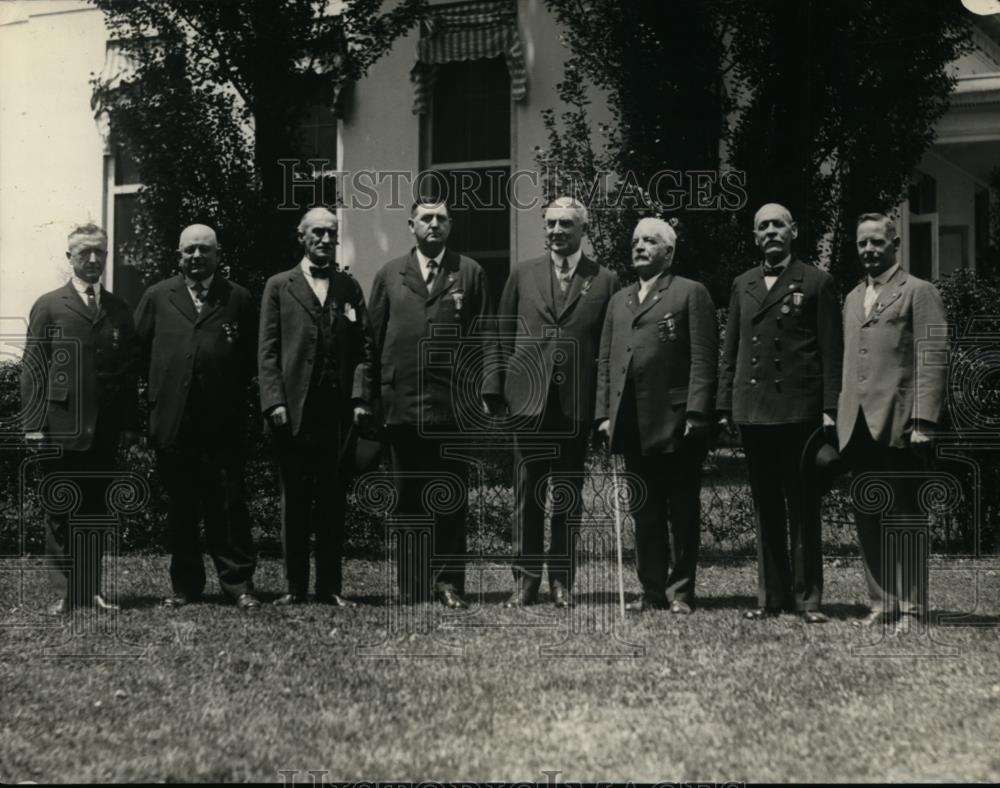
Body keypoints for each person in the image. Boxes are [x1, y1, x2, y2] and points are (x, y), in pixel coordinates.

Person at [483, 196, 618, 608]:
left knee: (568, 497)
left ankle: (562, 581)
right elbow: (499, 333)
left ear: (583, 230)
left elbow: (610, 348)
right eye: (551, 224)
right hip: (529, 402)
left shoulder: (606, 280)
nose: (556, 231)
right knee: (527, 494)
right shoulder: (523, 274)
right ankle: (524, 581)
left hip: (574, 405)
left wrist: (604, 408)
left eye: (565, 224)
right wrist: (494, 387)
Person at [717, 203, 842, 623]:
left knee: (804, 505)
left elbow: (830, 351)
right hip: (755, 413)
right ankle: (771, 598)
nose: (770, 231)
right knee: (765, 504)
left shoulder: (817, 281)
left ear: (794, 231)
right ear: (755, 237)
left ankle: (808, 600)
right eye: (762, 226)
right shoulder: (742, 284)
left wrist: (829, 408)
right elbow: (730, 351)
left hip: (800, 412)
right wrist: (724, 407)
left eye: (777, 225)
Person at [368, 200, 493, 609]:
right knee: (407, 498)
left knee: (450, 497)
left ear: (451, 225)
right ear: (411, 225)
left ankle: (448, 583)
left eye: (441, 218)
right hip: (401, 405)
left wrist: (488, 392)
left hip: (451, 407)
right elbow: (371, 341)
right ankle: (412, 583)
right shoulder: (389, 274)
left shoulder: (469, 272)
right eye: (426, 218)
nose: (434, 224)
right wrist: (366, 397)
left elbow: (487, 338)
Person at [133, 224, 260, 610]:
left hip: (223, 425)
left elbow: (253, 358)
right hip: (175, 423)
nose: (196, 257)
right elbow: (138, 355)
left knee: (228, 506)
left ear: (218, 255)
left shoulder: (237, 297)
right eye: (189, 250)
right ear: (178, 257)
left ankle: (237, 584)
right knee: (182, 508)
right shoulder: (157, 297)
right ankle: (185, 586)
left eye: (205, 250)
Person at [595, 218, 717, 613]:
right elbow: (606, 363)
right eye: (635, 241)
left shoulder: (689, 293)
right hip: (632, 422)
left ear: (669, 251)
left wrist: (698, 411)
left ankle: (680, 591)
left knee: (681, 509)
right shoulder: (620, 300)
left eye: (650, 241)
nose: (640, 247)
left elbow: (703, 357)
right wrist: (604, 414)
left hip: (678, 420)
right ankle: (650, 591)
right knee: (644, 511)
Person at [258, 207, 376, 606]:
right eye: (317, 234)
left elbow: (364, 350)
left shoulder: (349, 287)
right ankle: (294, 587)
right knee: (293, 500)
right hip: (293, 411)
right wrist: (274, 401)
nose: (325, 240)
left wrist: (360, 398)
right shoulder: (278, 286)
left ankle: (330, 587)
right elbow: (268, 351)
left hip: (337, 413)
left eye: (331, 234)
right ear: (302, 236)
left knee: (332, 500)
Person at [837, 212, 948, 632]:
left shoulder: (919, 292)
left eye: (876, 243)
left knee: (906, 516)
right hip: (858, 423)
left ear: (894, 244)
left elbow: (932, 356)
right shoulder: (851, 298)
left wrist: (924, 419)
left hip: (901, 423)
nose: (868, 250)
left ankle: (913, 608)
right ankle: (881, 603)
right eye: (862, 243)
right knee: (868, 513)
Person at [21, 224, 139, 615]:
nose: (92, 260)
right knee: (60, 510)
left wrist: (127, 427)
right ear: (69, 257)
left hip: (104, 429)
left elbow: (126, 374)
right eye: (84, 253)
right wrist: (33, 424)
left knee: (95, 511)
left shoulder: (119, 309)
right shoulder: (50, 304)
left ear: (107, 256)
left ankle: (90, 590)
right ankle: (64, 593)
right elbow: (34, 368)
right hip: (60, 425)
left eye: (99, 253)